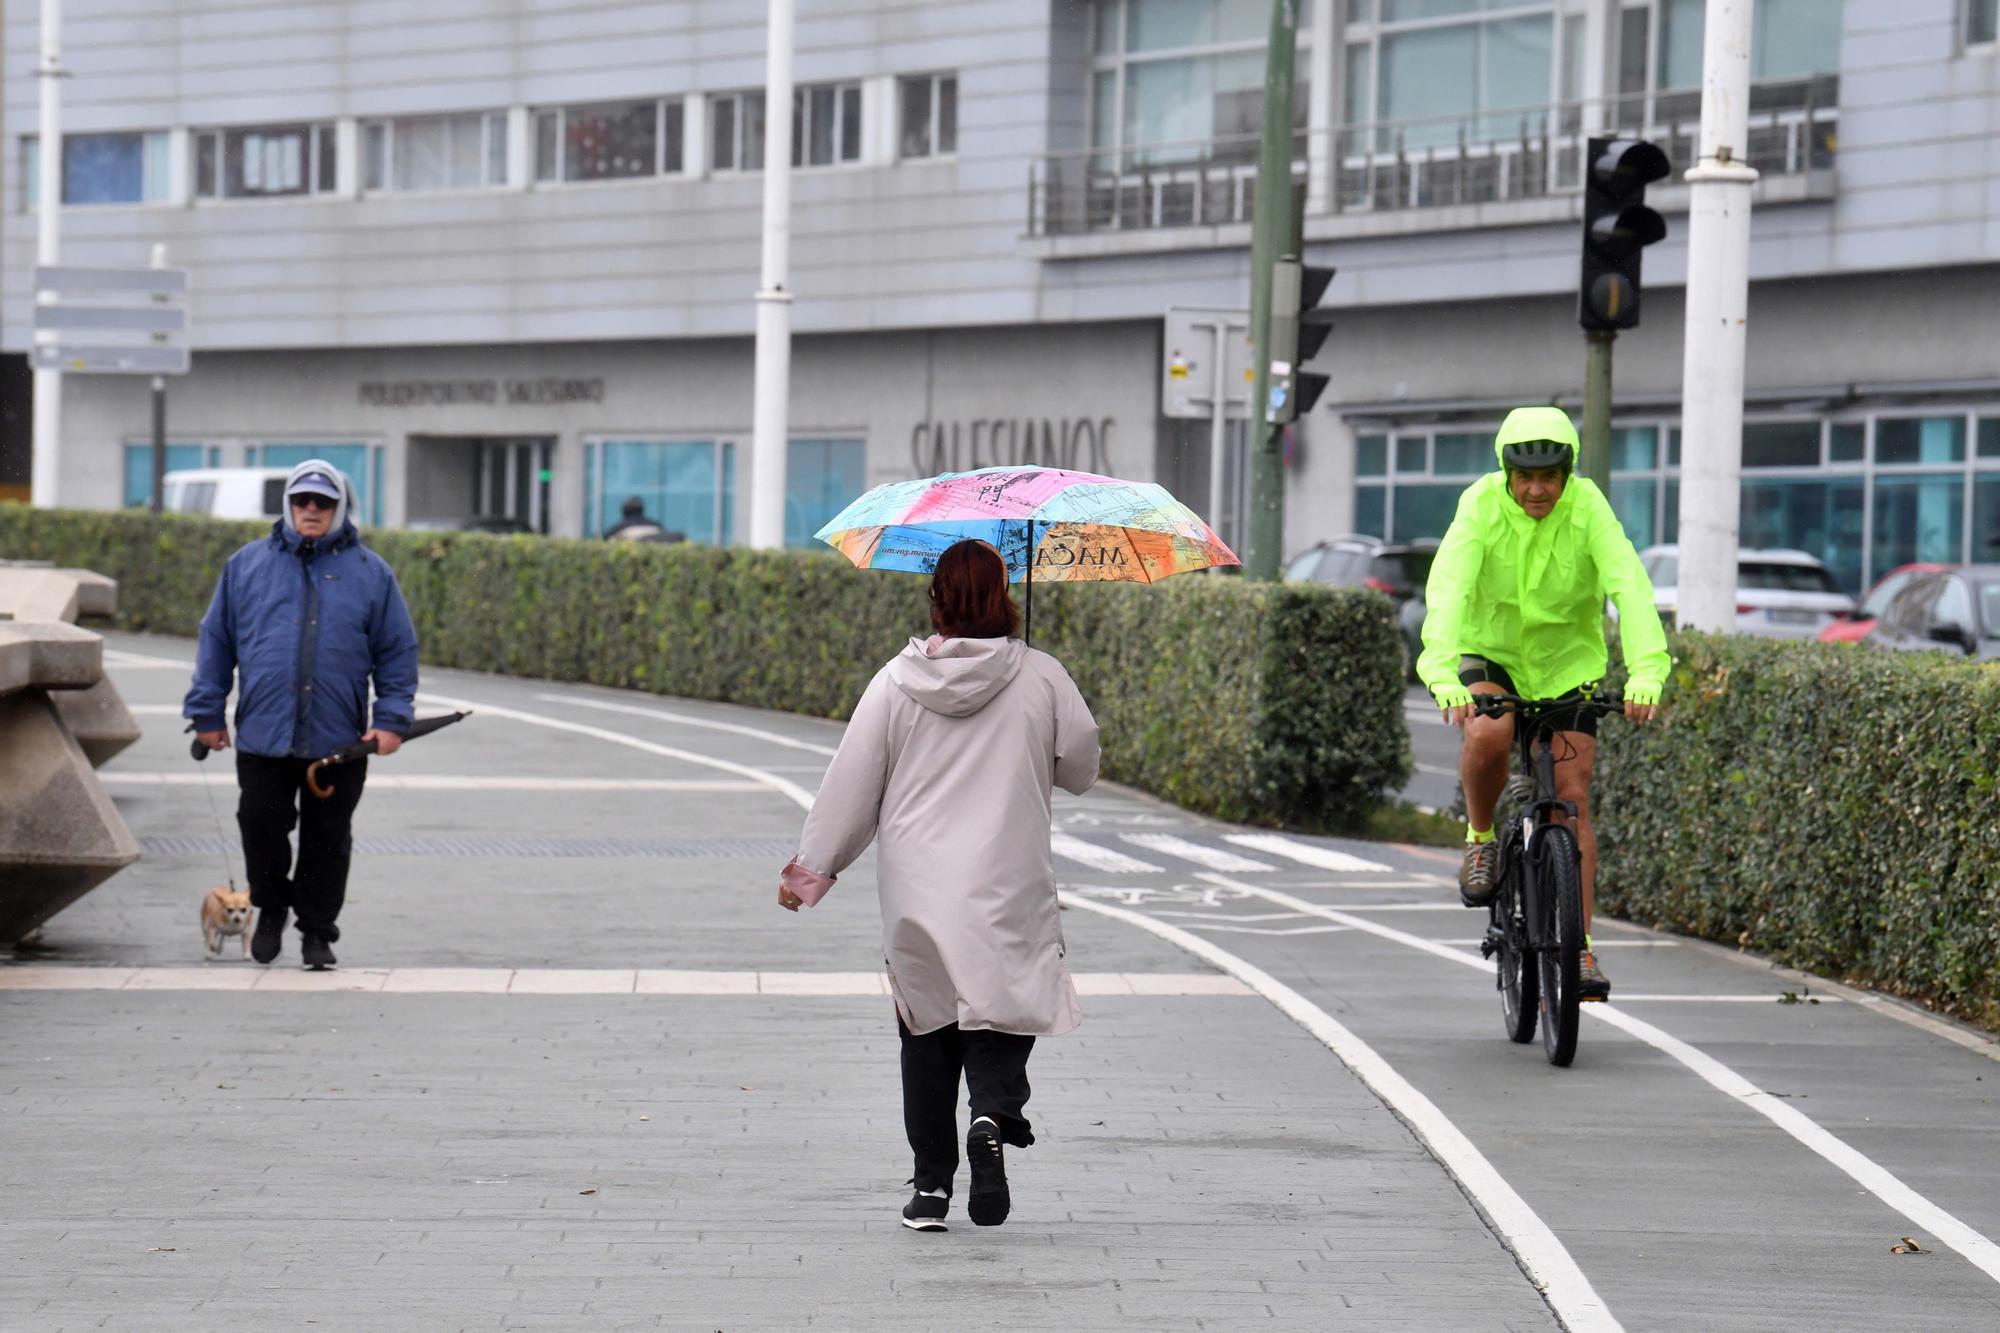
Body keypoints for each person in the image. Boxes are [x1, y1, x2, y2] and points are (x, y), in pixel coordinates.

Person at [776, 539, 1100, 1233]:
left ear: (937, 600)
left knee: (925, 1030)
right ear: (1004, 597)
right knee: (1004, 1008)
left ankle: (930, 1191)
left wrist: (811, 870)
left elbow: (852, 786)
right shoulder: (1040, 675)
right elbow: (1081, 767)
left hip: (917, 889)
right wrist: (1043, 715)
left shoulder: (894, 682)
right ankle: (991, 1112)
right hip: (1007, 880)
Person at [1416, 407, 1668, 1002]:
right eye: (1524, 477)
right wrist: (1439, 671)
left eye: (1550, 477)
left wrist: (1648, 670)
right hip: (1490, 653)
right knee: (1487, 736)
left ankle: (1578, 948)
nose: (1536, 490)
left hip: (1567, 667)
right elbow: (1448, 585)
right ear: (1505, 473)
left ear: (1567, 473)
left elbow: (1628, 585)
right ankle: (1480, 840)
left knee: (1572, 799)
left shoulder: (1588, 508)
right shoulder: (1479, 506)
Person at [183, 460, 419, 970]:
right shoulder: (245, 566)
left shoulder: (372, 574)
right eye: (302, 500)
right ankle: (270, 909)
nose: (311, 510)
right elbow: (216, 641)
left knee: (327, 839)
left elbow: (397, 650)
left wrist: (393, 718)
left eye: (323, 502)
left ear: (338, 509)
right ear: (288, 504)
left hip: (341, 738)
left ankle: (317, 932)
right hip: (264, 735)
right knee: (260, 827)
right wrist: (207, 711)